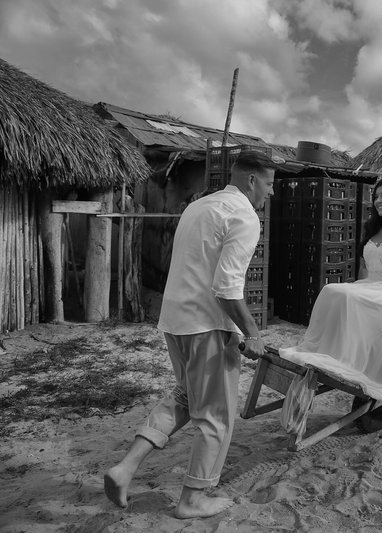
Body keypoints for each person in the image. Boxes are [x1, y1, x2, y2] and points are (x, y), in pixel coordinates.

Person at [104, 150, 281, 519]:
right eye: (269, 184)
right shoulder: (244, 216)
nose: (271, 192)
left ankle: (125, 468)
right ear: (251, 180)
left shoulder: (198, 206)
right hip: (207, 325)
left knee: (186, 397)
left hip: (175, 320)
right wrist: (252, 332)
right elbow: (227, 288)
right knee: (216, 417)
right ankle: (192, 500)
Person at [279, 175, 382, 417]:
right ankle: (331, 353)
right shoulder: (373, 230)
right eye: (376, 197)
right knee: (332, 291)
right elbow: (363, 267)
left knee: (342, 294)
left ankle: (350, 362)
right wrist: (359, 289)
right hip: (371, 287)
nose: (378, 200)